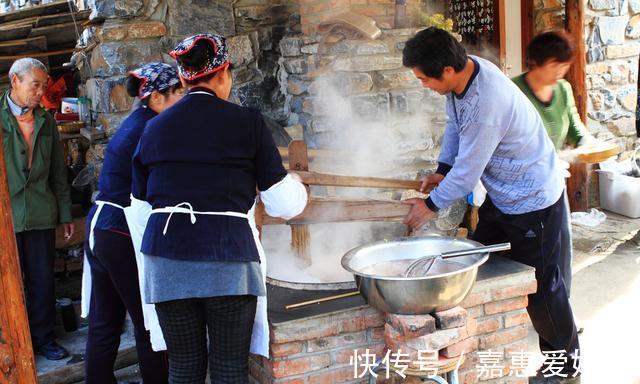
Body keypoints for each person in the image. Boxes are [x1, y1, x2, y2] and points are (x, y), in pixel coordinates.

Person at [401, 28, 581, 383]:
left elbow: (468, 174)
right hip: (504, 195)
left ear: (446, 71)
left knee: (543, 289)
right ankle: (486, 344)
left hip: (533, 200)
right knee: (478, 259)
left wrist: (429, 206)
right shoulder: (465, 74)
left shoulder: (488, 103)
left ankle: (566, 369)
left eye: (423, 78)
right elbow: (455, 128)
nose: (423, 84)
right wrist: (441, 170)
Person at [130, 33, 307, 383]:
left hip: (166, 262)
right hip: (228, 259)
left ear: (183, 78)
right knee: (228, 368)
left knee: (183, 367)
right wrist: (300, 191)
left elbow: (139, 208)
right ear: (224, 73)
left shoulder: (153, 129)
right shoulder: (247, 122)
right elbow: (282, 204)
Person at [82, 63, 183, 383]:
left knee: (106, 321)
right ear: (156, 98)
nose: (184, 97)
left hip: (101, 226)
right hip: (119, 229)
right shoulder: (152, 128)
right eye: (178, 92)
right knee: (149, 323)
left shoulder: (140, 122)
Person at [512, 30, 594, 302]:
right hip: (518, 187)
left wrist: (587, 142)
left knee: (561, 250)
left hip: (553, 183)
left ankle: (561, 311)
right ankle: (522, 309)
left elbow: (573, 126)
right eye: (555, 64)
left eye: (565, 64)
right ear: (535, 61)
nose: (562, 70)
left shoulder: (563, 89)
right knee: (527, 251)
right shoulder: (514, 91)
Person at [1, 58, 73, 360]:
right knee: (7, 283)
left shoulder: (45, 121)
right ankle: (11, 342)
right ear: (14, 81)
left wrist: (65, 213)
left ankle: (43, 339)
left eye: (44, 85)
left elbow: (58, 173)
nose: (41, 91)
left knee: (42, 280)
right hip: (6, 216)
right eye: (36, 85)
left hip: (42, 213)